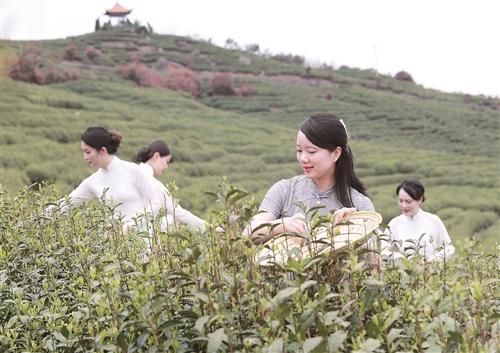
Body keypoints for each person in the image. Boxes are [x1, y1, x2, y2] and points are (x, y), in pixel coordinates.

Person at [243, 112, 375, 244]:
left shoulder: (359, 204)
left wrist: (348, 229)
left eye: (311, 151)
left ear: (335, 154)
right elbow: (248, 235)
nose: (303, 158)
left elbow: (374, 258)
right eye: (299, 150)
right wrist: (281, 225)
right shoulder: (285, 190)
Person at [54, 127, 161, 230]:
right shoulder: (93, 181)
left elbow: (155, 202)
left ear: (102, 151)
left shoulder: (133, 170)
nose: (85, 157)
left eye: (88, 152)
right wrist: (38, 217)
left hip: (143, 242)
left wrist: (131, 227)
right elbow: (66, 204)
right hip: (115, 243)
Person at [136, 140, 206, 232]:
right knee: (171, 218)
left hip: (121, 233)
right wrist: (209, 227)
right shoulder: (154, 184)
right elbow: (178, 213)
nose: (166, 167)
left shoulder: (130, 173)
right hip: (141, 237)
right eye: (166, 161)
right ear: (156, 156)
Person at [381, 179, 455, 262]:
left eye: (408, 201)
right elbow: (384, 250)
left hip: (431, 272)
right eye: (400, 201)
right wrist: (400, 258)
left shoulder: (433, 220)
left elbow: (449, 248)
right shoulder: (394, 223)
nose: (403, 205)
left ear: (420, 199)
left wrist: (433, 259)